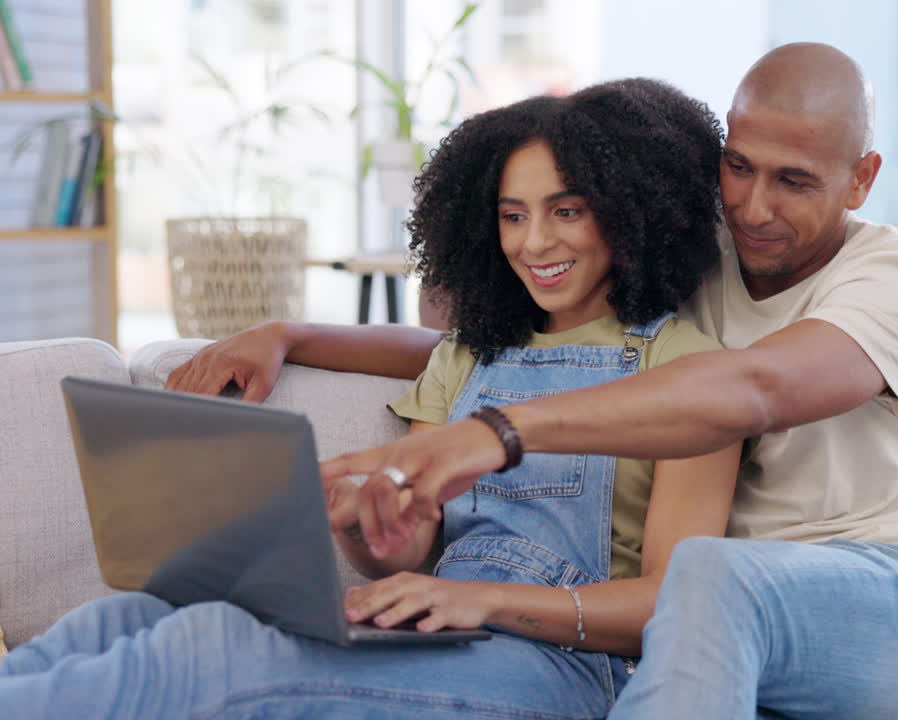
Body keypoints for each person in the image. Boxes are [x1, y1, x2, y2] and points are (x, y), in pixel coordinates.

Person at [173, 43, 898, 719]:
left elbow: (755, 390)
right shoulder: (708, 244)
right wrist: (289, 333)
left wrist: (497, 433)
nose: (752, 207)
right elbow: (474, 339)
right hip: (710, 627)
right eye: (738, 166)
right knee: (697, 597)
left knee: (705, 581)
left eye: (795, 180)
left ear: (861, 177)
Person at [0, 78, 742, 719]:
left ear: (634, 210)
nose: (533, 243)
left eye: (567, 211)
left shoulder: (687, 370)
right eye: (512, 216)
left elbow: (672, 611)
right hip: (441, 632)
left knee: (210, 654)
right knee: (123, 616)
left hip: (569, 668)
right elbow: (411, 557)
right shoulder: (469, 358)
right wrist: (373, 536)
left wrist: (481, 603)